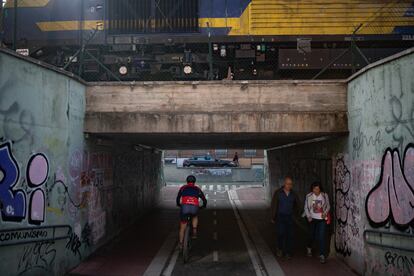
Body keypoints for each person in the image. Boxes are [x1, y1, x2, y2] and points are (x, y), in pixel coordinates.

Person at [270, 176, 301, 259]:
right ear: (284, 184)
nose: (289, 186)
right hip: (280, 217)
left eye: (290, 184)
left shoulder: (293, 194)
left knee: (290, 235)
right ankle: (279, 249)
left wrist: (297, 216)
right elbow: (274, 205)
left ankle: (288, 252)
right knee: (281, 233)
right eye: (287, 184)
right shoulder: (278, 193)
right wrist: (272, 217)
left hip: (290, 217)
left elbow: (297, 205)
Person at [176, 175, 207, 248]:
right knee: (195, 216)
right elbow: (204, 199)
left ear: (187, 181)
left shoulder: (183, 188)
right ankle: (194, 230)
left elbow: (178, 198)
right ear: (194, 182)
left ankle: (180, 244)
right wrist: (203, 206)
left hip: (184, 207)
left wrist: (179, 204)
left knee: (182, 227)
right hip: (194, 207)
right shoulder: (197, 189)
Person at [304, 181, 330, 264]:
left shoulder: (324, 195)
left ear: (320, 188)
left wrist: (325, 213)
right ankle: (309, 247)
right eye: (314, 189)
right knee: (312, 235)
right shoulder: (309, 196)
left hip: (321, 219)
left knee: (321, 236)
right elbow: (306, 207)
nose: (316, 190)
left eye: (317, 189)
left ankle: (322, 255)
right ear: (312, 189)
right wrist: (308, 216)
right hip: (312, 219)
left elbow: (328, 206)